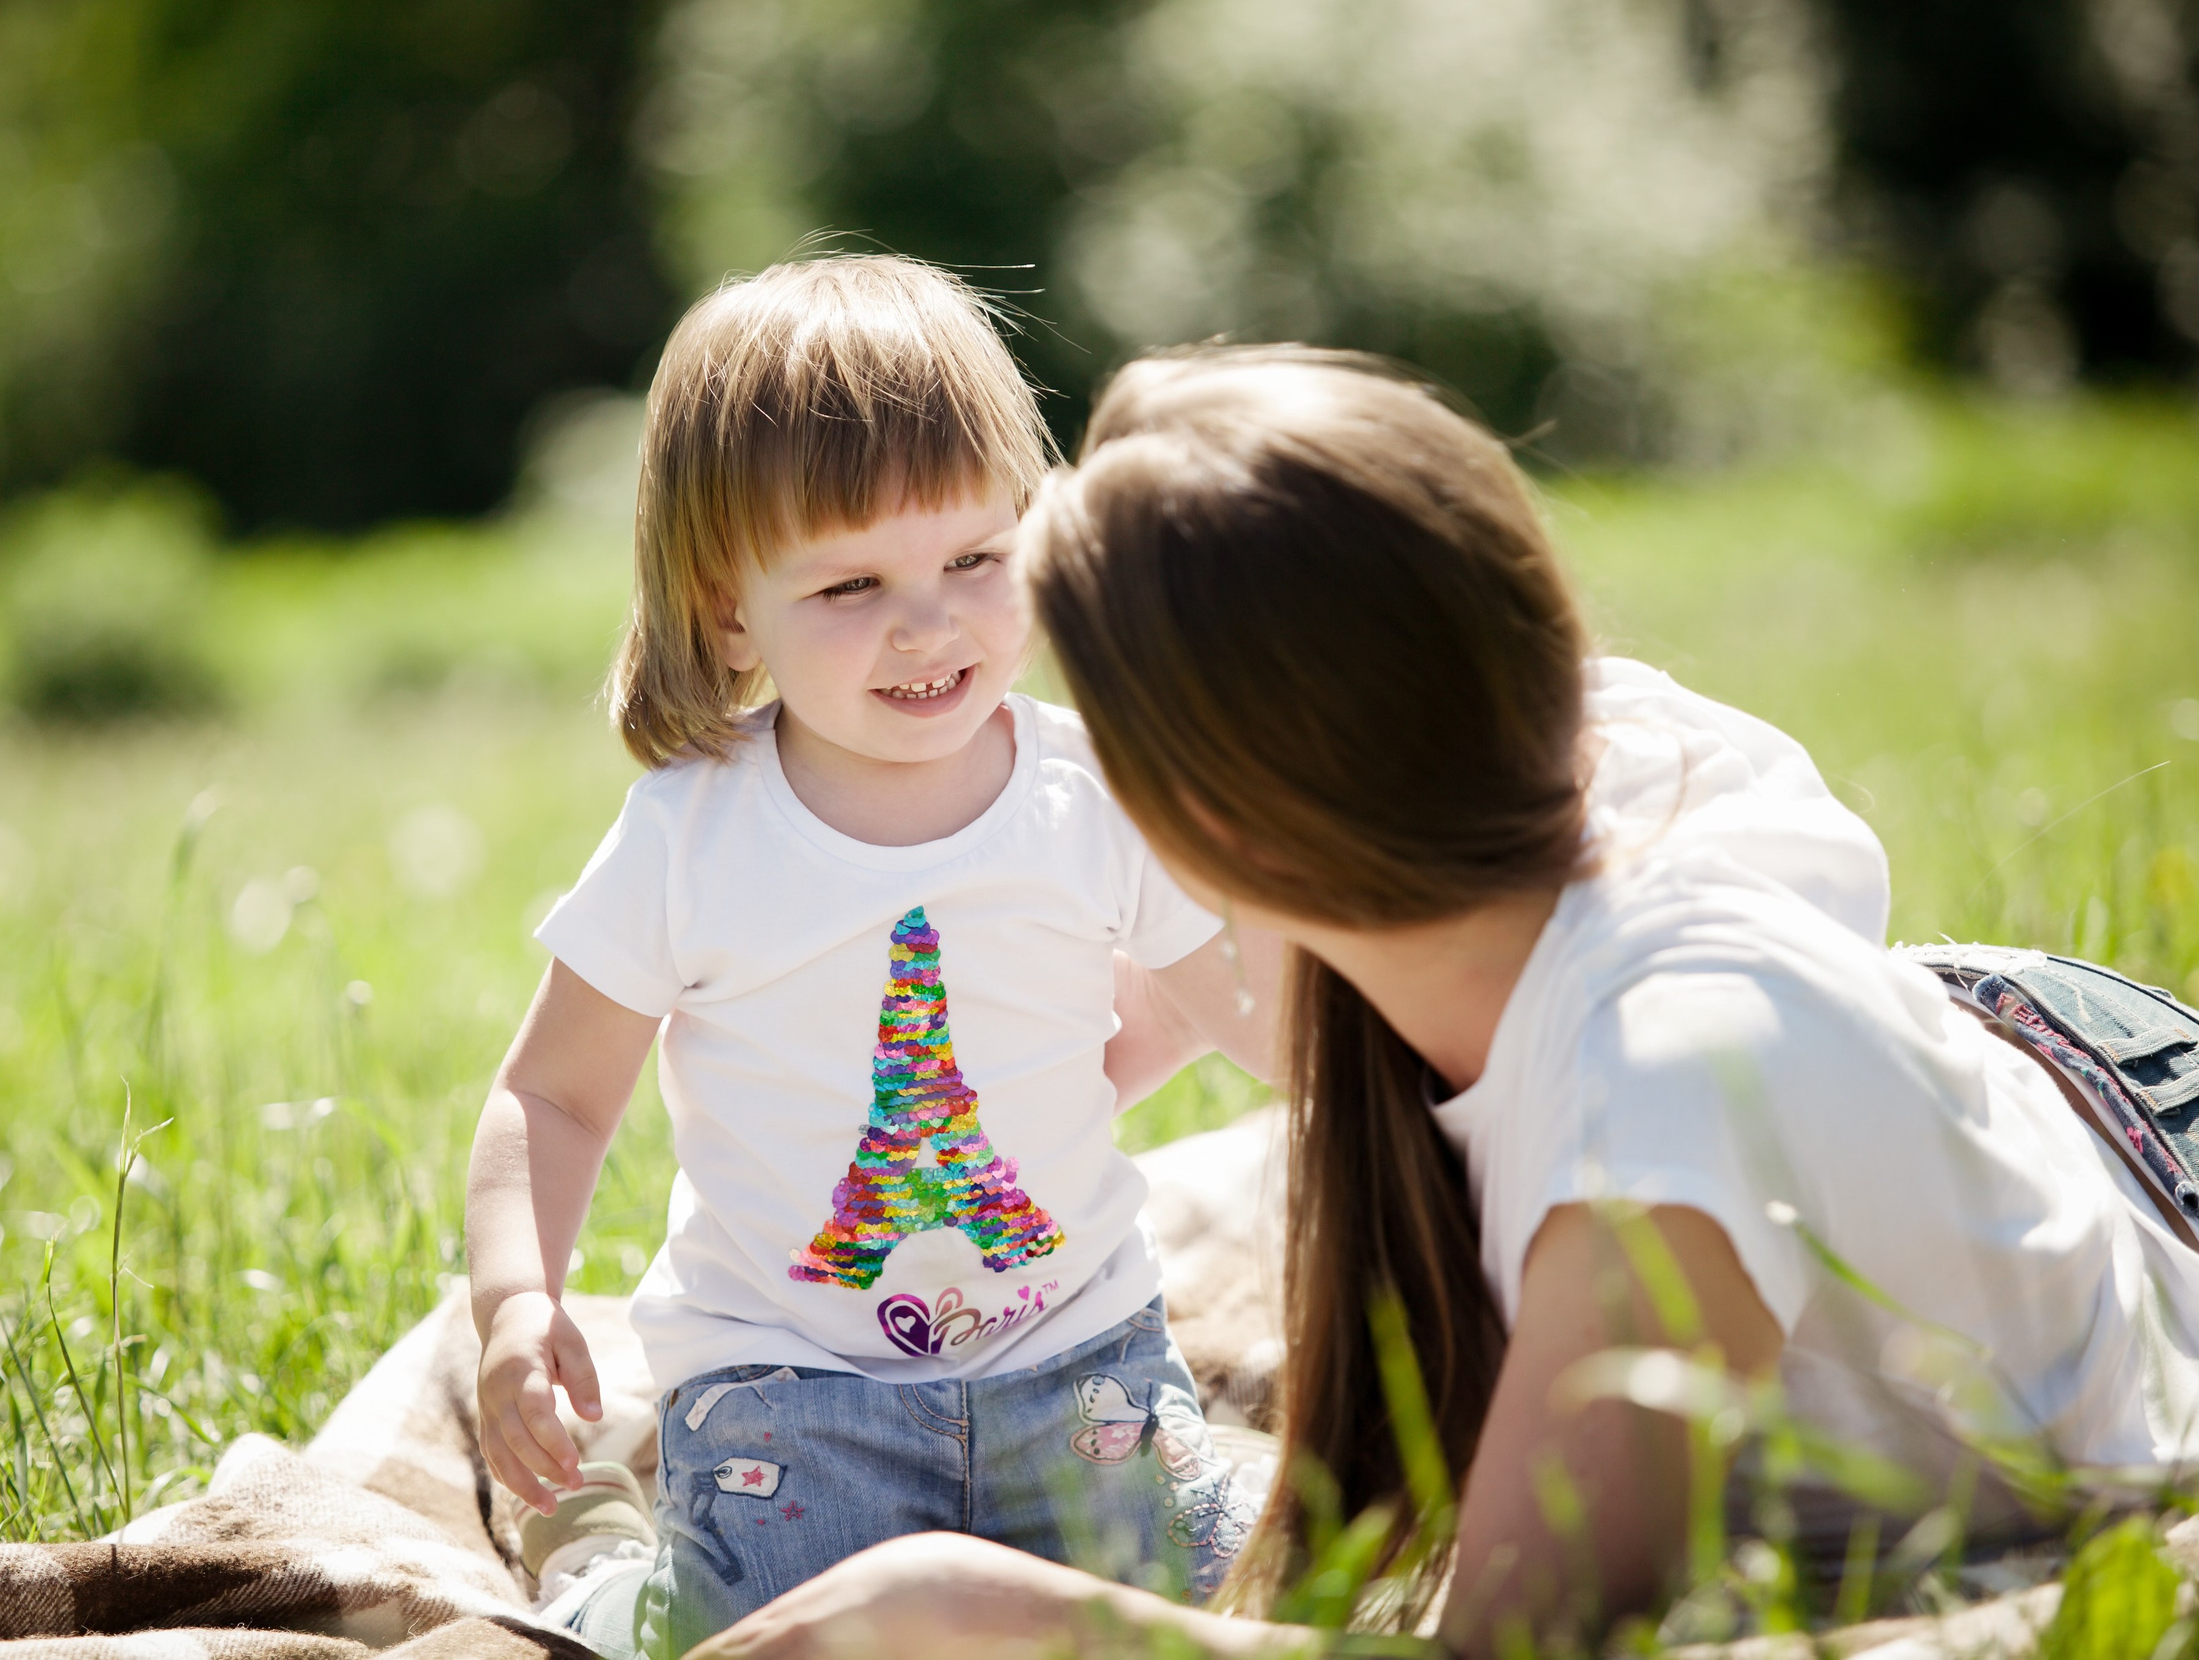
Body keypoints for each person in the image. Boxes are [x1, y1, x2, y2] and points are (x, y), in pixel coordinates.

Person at [686, 346, 2199, 1659]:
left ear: (1221, 830)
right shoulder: (1534, 759)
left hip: (2139, 1171)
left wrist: (988, 1613)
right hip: (2026, 1074)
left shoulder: (1660, 1112)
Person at [463, 259, 1277, 1658]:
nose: (929, 622)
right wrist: (516, 1301)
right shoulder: (694, 832)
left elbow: (1254, 1016)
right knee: (736, 1642)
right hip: (790, 1393)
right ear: (730, 610)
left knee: (1222, 1608)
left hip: (1083, 1367)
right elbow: (554, 1095)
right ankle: (591, 1541)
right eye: (850, 582)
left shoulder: (1096, 791)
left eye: (975, 558)